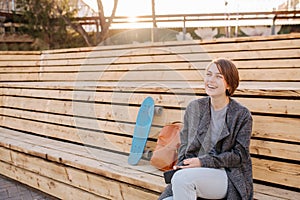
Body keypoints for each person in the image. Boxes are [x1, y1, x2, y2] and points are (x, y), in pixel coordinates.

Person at [159, 58, 253, 200]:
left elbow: (239, 156)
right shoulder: (195, 108)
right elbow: (185, 145)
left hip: (227, 174)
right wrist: (182, 166)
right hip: (196, 171)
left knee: (183, 180)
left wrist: (203, 162)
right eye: (208, 74)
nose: (211, 80)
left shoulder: (241, 115)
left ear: (229, 85)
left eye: (218, 76)